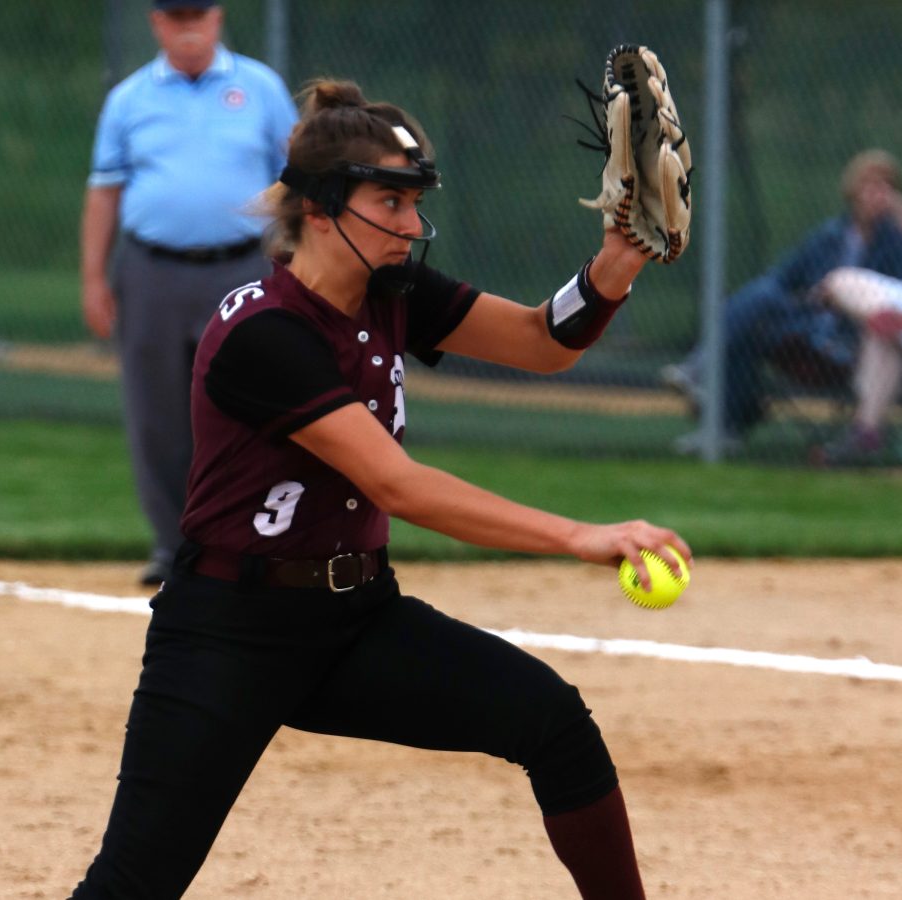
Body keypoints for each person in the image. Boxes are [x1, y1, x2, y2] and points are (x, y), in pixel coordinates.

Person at [69, 79, 691, 900]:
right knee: (133, 883)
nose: (411, 224)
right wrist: (580, 535)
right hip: (229, 636)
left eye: (413, 202)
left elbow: (544, 342)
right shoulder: (265, 333)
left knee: (555, 724)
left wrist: (613, 266)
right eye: (389, 202)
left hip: (357, 623)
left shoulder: (392, 291)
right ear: (321, 209)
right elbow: (397, 485)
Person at [80, 0, 298, 586]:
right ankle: (172, 545)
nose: (190, 29)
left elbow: (296, 178)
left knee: (247, 407)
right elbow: (105, 191)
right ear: (157, 24)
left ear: (219, 18)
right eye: (177, 18)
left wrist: (294, 264)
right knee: (157, 413)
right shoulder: (129, 99)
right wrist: (94, 278)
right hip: (151, 270)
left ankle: (249, 539)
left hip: (242, 267)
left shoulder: (260, 88)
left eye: (198, 16)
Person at [663, 149, 902, 454]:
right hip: (805, 328)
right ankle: (725, 428)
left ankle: (699, 368)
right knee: (758, 306)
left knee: (759, 303)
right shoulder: (829, 236)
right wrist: (811, 297)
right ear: (853, 190)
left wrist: (844, 300)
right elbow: (781, 279)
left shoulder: (900, 245)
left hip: (850, 340)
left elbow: (901, 300)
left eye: (885, 188)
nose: (876, 195)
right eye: (869, 186)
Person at [810, 198, 902, 465]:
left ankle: (865, 434)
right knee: (840, 279)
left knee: (881, 340)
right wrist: (889, 200)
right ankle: (879, 316)